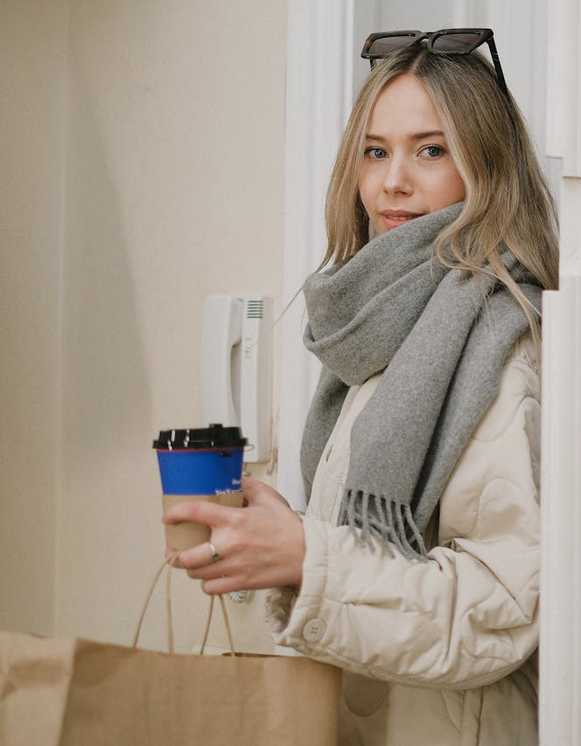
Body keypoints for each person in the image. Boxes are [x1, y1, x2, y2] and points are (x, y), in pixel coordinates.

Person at [162, 28, 558, 745]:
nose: (392, 181)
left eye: (430, 150)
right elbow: (375, 548)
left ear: (487, 168)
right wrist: (284, 540)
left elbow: (504, 607)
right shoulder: (382, 326)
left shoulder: (500, 341)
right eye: (375, 151)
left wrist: (309, 559)